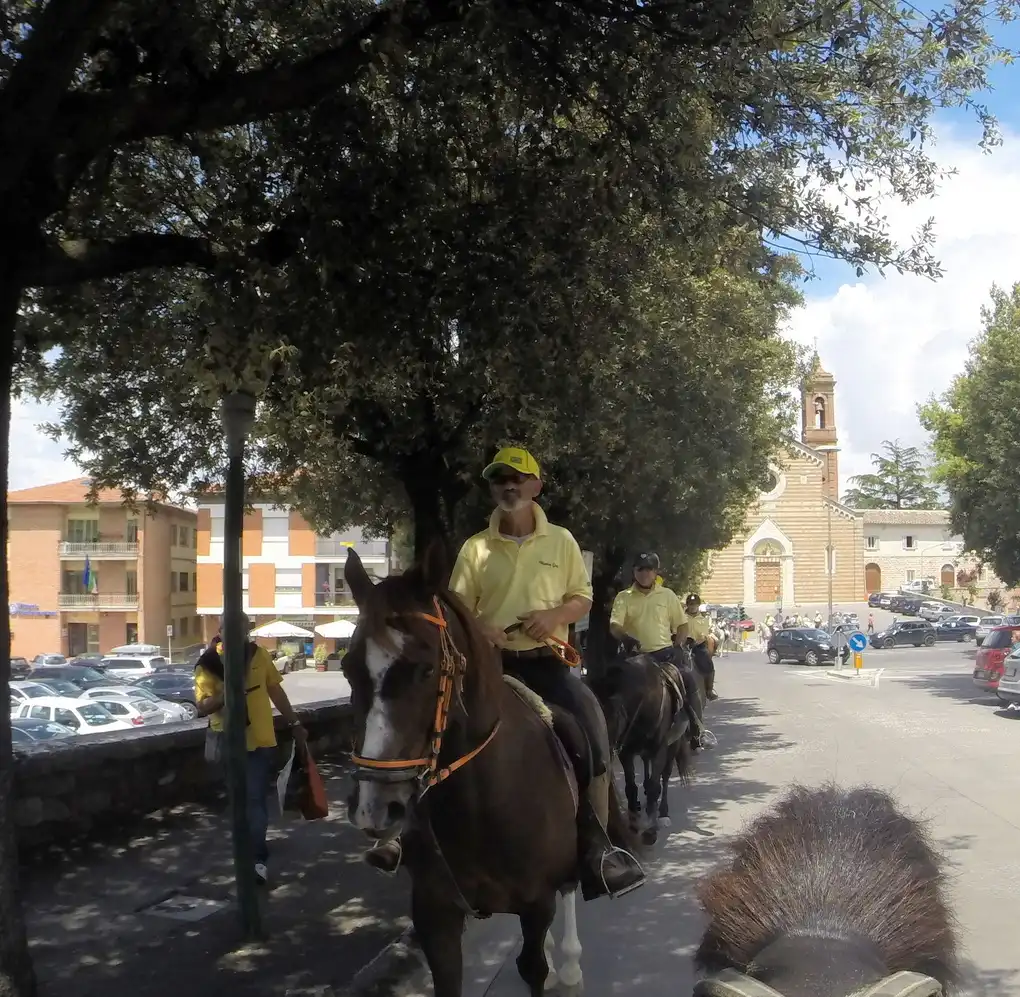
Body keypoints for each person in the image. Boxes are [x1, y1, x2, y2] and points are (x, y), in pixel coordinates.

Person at [367, 446, 645, 900]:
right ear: (492, 488)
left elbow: (583, 599)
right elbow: (455, 609)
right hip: (488, 669)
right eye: (499, 479)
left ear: (536, 485)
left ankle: (599, 845)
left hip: (546, 664)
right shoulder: (475, 548)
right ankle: (403, 836)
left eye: (518, 478)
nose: (508, 486)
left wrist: (553, 615)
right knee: (434, 731)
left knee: (590, 729)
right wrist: (482, 630)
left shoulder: (563, 542)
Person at [195, 614, 307, 886]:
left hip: (259, 741)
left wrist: (294, 722)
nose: (237, 636)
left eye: (242, 631)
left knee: (255, 800)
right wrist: (228, 693)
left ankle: (257, 860)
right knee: (239, 802)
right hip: (228, 742)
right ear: (220, 632)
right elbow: (202, 707)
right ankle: (243, 853)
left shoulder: (259, 655)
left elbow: (275, 691)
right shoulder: (208, 663)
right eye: (230, 630)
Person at [609, 553, 707, 745]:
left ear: (655, 572)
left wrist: (678, 645)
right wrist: (625, 637)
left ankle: (697, 730)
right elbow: (614, 625)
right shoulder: (623, 597)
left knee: (688, 679)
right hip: (634, 657)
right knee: (609, 685)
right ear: (634, 572)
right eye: (640, 569)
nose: (644, 573)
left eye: (649, 569)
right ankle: (610, 738)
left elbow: (681, 625)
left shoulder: (668, 595)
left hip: (664, 654)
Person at [685, 594, 718, 701]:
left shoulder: (703, 619)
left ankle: (709, 690)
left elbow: (704, 636)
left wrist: (694, 644)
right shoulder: (681, 617)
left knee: (708, 663)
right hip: (683, 644)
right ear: (687, 605)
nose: (692, 606)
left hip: (697, 645)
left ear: (698, 605)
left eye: (694, 604)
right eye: (690, 604)